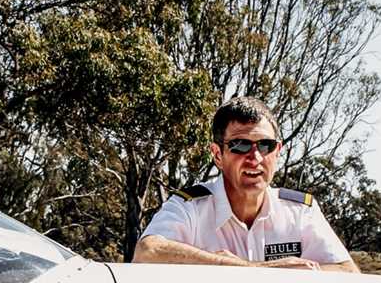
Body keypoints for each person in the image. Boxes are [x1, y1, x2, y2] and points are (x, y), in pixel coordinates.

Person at [133, 97, 360, 272]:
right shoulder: (190, 207)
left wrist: (291, 274)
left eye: (265, 146)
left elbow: (347, 271)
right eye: (240, 145)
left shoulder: (300, 211)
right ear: (217, 154)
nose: (255, 158)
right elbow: (148, 251)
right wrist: (248, 269)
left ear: (278, 151)